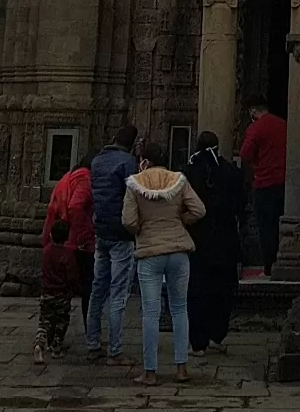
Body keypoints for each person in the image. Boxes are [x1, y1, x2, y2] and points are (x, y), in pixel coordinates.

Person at [122, 141, 206, 386]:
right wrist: (181, 219)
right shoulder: (178, 180)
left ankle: (150, 371)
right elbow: (199, 210)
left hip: (149, 252)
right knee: (180, 309)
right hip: (179, 250)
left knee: (150, 311)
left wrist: (140, 229)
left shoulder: (134, 184)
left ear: (144, 160)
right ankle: (181, 368)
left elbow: (127, 220)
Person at [185, 130, 246, 354]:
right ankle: (217, 335)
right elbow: (242, 206)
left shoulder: (189, 172)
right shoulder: (232, 172)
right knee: (223, 290)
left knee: (198, 291)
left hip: (198, 240)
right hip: (226, 239)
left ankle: (198, 341)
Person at [86, 124, 140, 365]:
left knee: (98, 288)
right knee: (118, 291)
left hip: (101, 230)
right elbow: (134, 193)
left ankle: (93, 343)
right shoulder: (126, 161)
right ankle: (115, 350)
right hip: (120, 232)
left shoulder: (98, 160)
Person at [239, 95, 287, 275]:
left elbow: (245, 153)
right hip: (284, 182)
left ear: (253, 111)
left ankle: (268, 266)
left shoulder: (255, 128)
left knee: (265, 226)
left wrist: (255, 166)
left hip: (264, 182)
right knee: (281, 224)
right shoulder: (282, 124)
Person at [43, 165, 95, 328]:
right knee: (87, 288)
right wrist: (85, 236)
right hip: (76, 243)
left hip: (59, 241)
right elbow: (75, 206)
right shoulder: (84, 179)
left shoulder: (67, 179)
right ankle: (90, 331)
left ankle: (48, 334)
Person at [34, 217, 80, 367]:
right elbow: (71, 274)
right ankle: (56, 347)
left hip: (47, 292)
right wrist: (71, 289)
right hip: (62, 293)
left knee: (44, 321)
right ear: (67, 237)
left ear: (51, 235)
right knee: (62, 321)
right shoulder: (67, 254)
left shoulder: (47, 251)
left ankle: (40, 344)